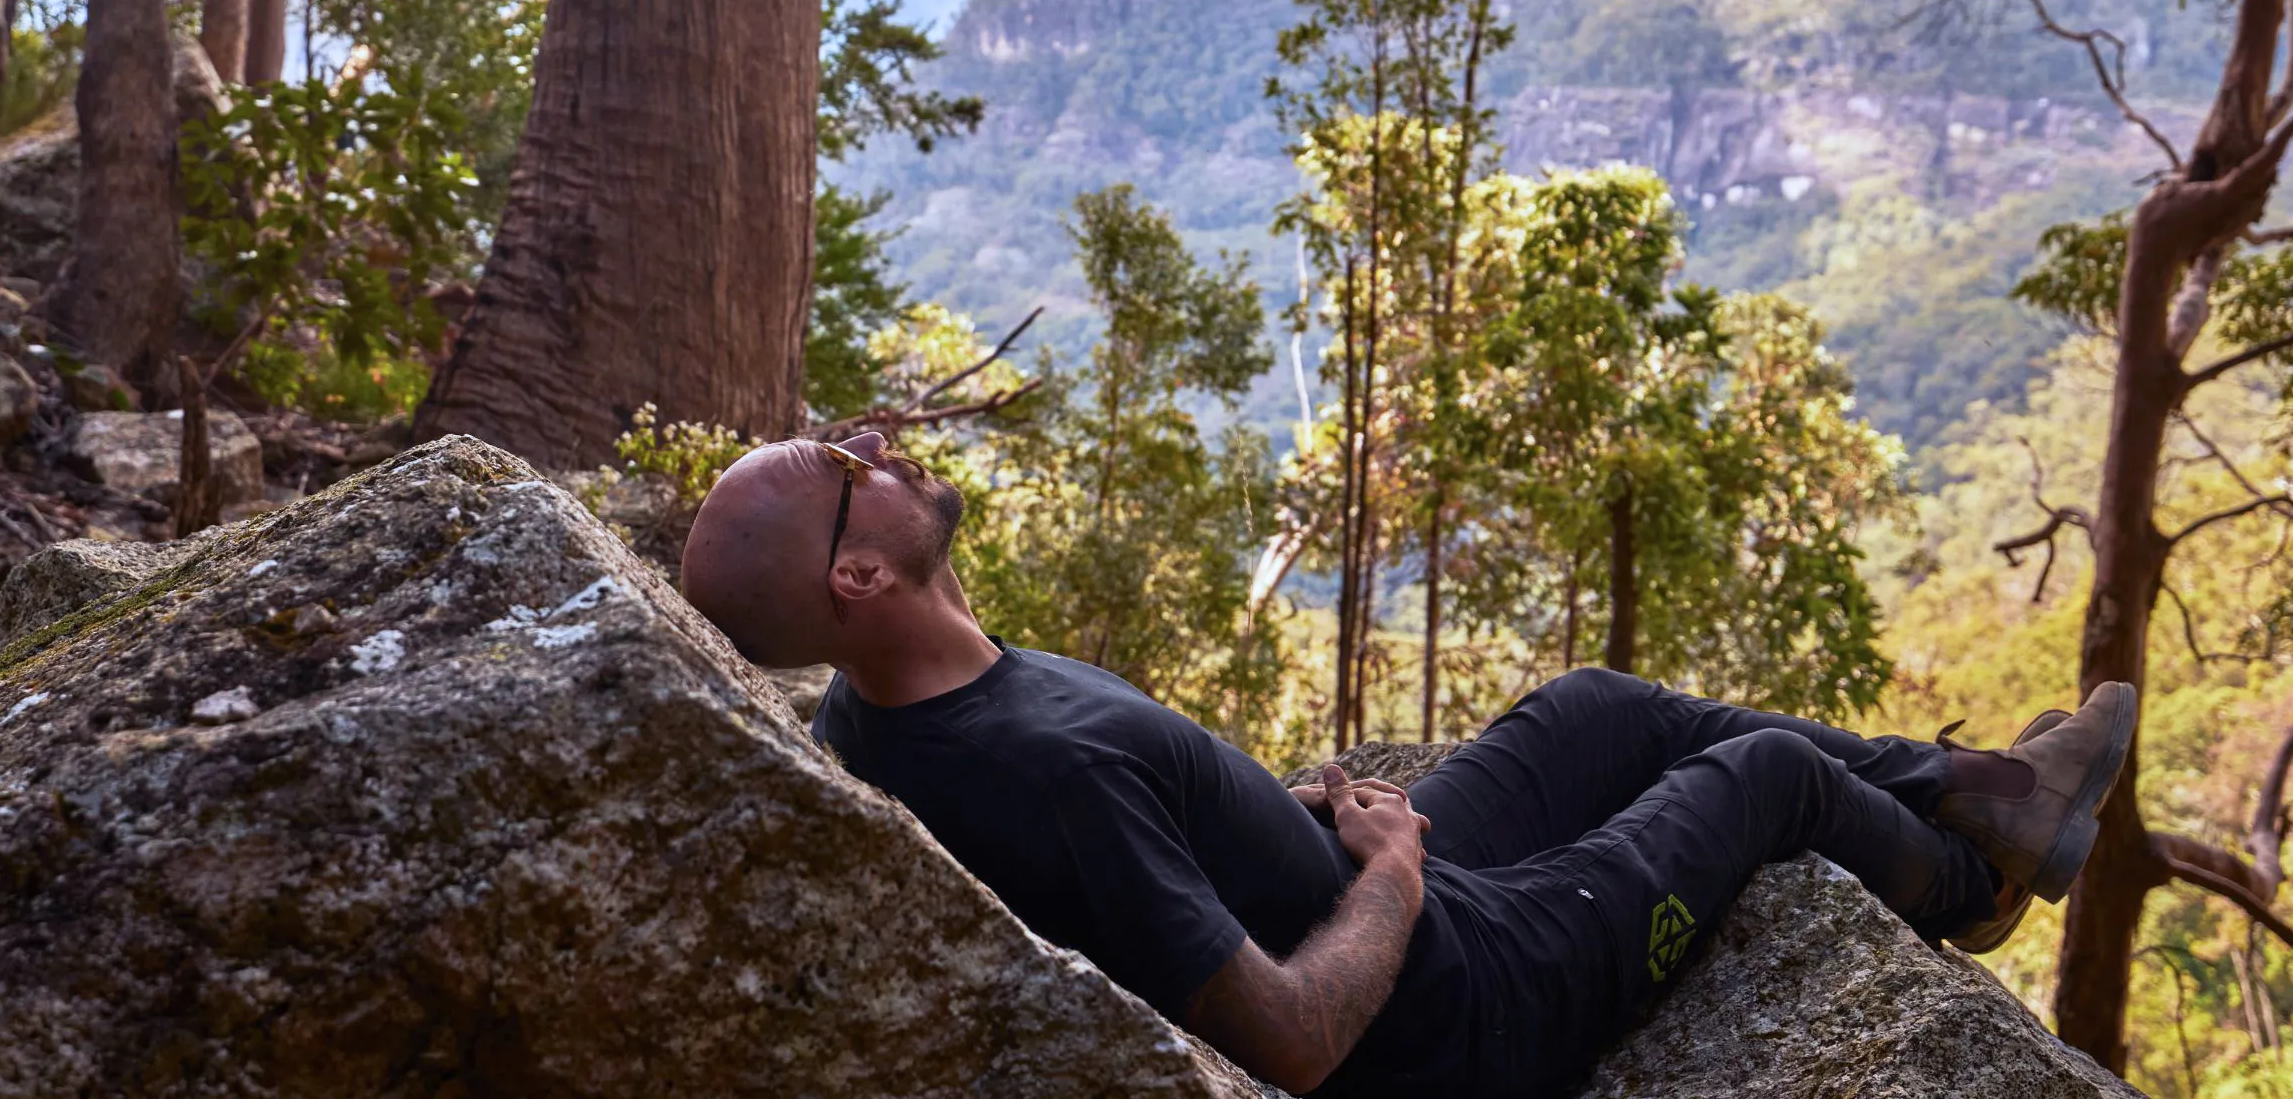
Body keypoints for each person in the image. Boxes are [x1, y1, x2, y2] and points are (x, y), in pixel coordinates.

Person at [682, 429, 2135, 1099]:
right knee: (1759, 776)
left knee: (1601, 707)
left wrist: (1307, 813)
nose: (872, 440)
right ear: (861, 572)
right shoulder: (1044, 767)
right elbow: (1299, 1046)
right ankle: (1972, 884)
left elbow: (1152, 858)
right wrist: (1392, 865)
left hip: (1370, 885)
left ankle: (1990, 790)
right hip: (1464, 1001)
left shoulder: (889, 714)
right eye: (841, 464)